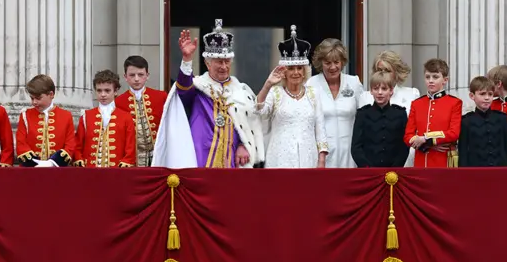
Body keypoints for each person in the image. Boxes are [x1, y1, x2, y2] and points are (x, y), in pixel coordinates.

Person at [151, 19, 264, 168]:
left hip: (231, 161)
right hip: (200, 157)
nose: (223, 66)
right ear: (207, 63)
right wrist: (187, 59)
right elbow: (184, 89)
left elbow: (250, 122)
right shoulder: (198, 87)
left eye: (227, 61)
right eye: (218, 61)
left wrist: (244, 144)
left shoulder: (241, 91)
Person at [255, 27, 329, 168]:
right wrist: (267, 85)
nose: (296, 72)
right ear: (284, 71)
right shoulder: (275, 93)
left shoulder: (313, 93)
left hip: (308, 158)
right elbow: (260, 111)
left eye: (299, 68)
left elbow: (320, 129)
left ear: (304, 70)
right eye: (291, 68)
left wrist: (321, 159)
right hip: (280, 158)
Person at [306, 38, 363, 168]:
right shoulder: (311, 85)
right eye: (327, 63)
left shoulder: (354, 83)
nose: (333, 67)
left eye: (336, 62)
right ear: (320, 63)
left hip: (350, 153)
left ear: (342, 62)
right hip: (321, 154)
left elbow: (364, 116)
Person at [404, 59, 462, 168]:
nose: (430, 80)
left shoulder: (454, 103)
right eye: (427, 77)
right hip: (421, 160)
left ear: (445, 80)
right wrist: (427, 145)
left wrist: (426, 138)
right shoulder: (417, 103)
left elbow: (454, 133)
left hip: (444, 160)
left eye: (435, 77)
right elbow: (408, 136)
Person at [366, 50, 421, 167]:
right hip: (373, 160)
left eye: (387, 70)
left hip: (404, 158)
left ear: (396, 72)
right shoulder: (365, 97)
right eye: (379, 70)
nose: (383, 74)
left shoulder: (412, 94)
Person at [74, 70, 136, 167]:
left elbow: (130, 147)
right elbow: (78, 145)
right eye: (99, 90)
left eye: (107, 90)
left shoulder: (126, 117)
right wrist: (79, 158)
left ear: (115, 91)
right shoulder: (86, 116)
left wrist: (126, 162)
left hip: (116, 173)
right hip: (90, 172)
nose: (103, 94)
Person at [115, 56, 168, 167]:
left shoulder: (161, 97)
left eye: (140, 74)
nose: (136, 79)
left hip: (159, 156)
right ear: (125, 77)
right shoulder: (118, 102)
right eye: (132, 75)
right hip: (133, 160)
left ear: (147, 76)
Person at [351, 71, 409, 168]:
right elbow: (356, 147)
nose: (380, 92)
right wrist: (367, 168)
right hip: (368, 171)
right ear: (371, 91)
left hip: (394, 171)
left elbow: (404, 146)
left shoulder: (400, 114)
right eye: (376, 88)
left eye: (384, 88)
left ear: (391, 91)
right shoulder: (363, 114)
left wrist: (395, 167)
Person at [16, 75, 76, 167]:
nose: (34, 102)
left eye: (38, 98)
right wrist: (35, 163)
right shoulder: (25, 115)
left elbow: (70, 145)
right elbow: (21, 143)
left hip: (58, 172)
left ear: (51, 95)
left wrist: (52, 163)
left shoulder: (66, 116)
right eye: (32, 98)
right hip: (30, 171)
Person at [458, 76, 507, 167]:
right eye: (482, 94)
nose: (487, 98)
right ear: (472, 96)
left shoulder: (502, 118)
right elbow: (463, 151)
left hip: (500, 170)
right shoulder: (466, 121)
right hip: (476, 172)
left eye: (490, 94)